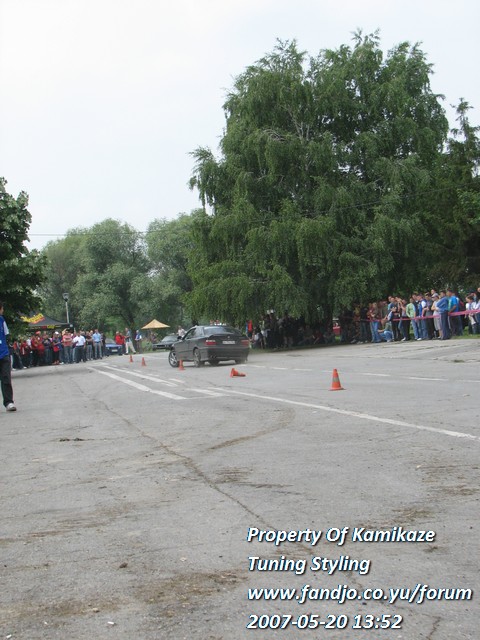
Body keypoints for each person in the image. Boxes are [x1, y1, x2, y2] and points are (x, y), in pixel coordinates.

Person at [0, 301, 16, 411]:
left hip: (3, 353)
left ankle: (9, 402)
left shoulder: (1, 320)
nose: (3, 310)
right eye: (2, 308)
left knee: (6, 378)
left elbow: (6, 334)